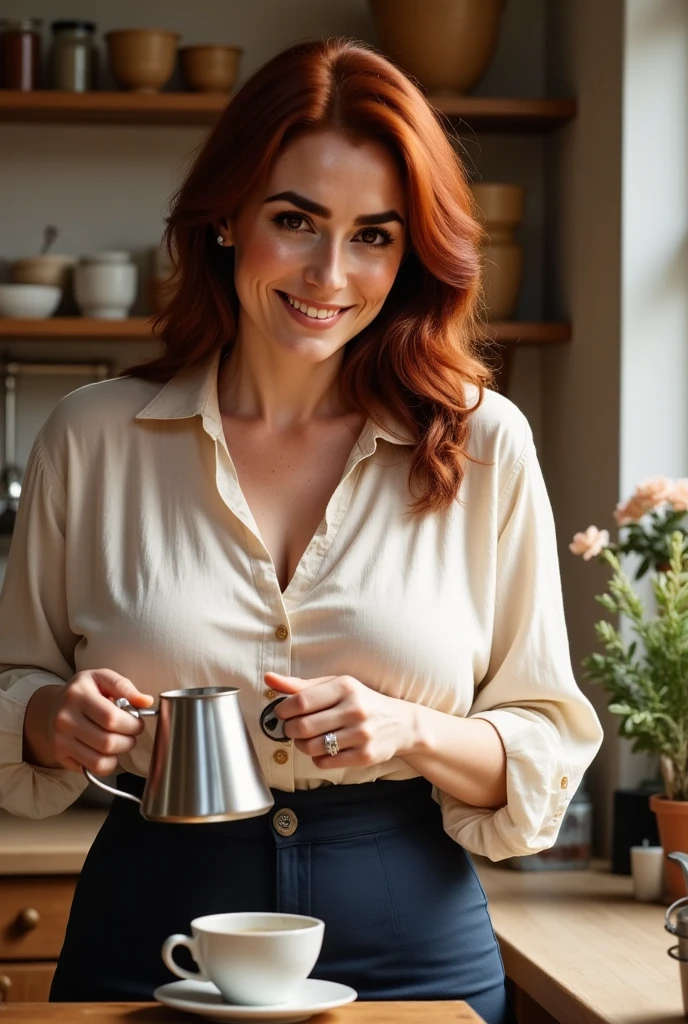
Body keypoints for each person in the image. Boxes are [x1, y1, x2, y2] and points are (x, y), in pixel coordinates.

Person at [0, 37, 603, 1024]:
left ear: (411, 253)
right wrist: (50, 718)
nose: (331, 273)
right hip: (150, 937)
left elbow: (543, 732)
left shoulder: (483, 443)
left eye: (374, 234)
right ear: (228, 219)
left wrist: (410, 726)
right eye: (297, 221)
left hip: (411, 947)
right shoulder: (92, 435)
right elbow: (11, 682)